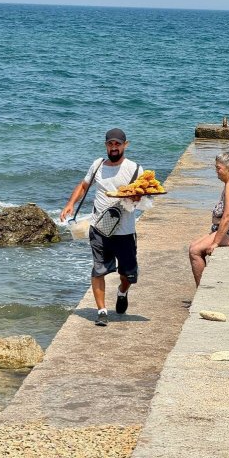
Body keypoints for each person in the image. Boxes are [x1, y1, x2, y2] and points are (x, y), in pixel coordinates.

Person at [60, 128, 143, 326]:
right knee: (98, 270)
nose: (114, 147)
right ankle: (102, 311)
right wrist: (70, 204)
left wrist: (137, 197)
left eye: (118, 144)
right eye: (110, 144)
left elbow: (144, 195)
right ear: (106, 145)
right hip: (99, 228)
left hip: (125, 231)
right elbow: (83, 185)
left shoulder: (135, 169)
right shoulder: (97, 165)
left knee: (129, 275)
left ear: (125, 145)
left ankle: (122, 292)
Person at [189, 151, 229, 286]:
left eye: (219, 168)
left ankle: (201, 292)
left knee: (195, 251)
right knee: (193, 246)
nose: (216, 171)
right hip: (225, 230)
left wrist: (216, 243)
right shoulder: (228, 183)